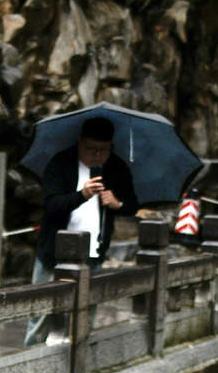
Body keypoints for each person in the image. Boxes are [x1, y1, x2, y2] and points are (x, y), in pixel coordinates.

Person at [25, 116, 139, 346]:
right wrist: (82, 195)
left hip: (93, 251)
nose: (97, 155)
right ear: (80, 142)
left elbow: (132, 204)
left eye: (103, 150)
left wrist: (118, 204)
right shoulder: (61, 163)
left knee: (85, 311)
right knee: (42, 310)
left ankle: (79, 357)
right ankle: (31, 356)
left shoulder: (116, 168)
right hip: (54, 249)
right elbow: (51, 206)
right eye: (91, 149)